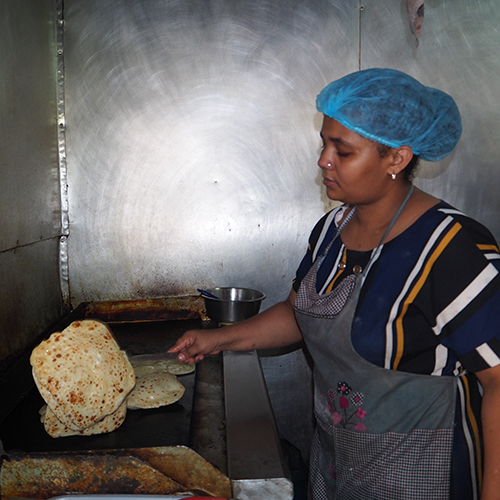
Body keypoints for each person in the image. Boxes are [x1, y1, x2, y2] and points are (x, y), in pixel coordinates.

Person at [169, 68, 500, 500]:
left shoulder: (452, 247)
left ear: (396, 159)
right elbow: (299, 313)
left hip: (424, 475)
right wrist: (219, 340)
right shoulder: (331, 230)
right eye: (324, 144)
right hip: (338, 467)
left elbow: (498, 380)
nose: (324, 160)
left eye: (343, 151)